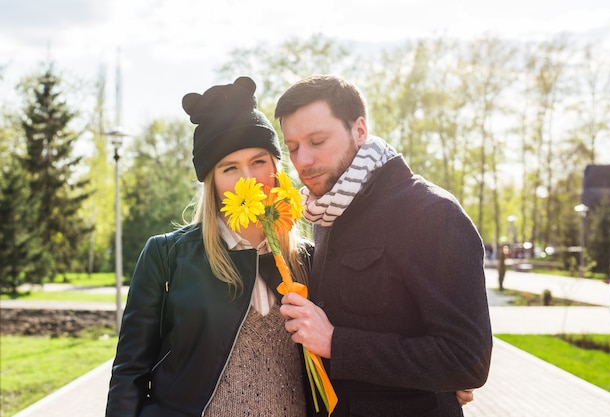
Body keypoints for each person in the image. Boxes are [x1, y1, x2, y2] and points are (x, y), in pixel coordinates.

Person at [275, 75, 492, 416]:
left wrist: (337, 343)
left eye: (317, 141)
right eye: (292, 148)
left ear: (359, 130)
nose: (302, 161)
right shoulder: (327, 215)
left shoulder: (432, 213)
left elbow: (467, 359)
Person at [105, 76, 313, 417]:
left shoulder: (306, 258)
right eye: (229, 167)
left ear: (276, 168)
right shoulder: (167, 256)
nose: (248, 178)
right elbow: (130, 369)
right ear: (211, 181)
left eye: (258, 161)